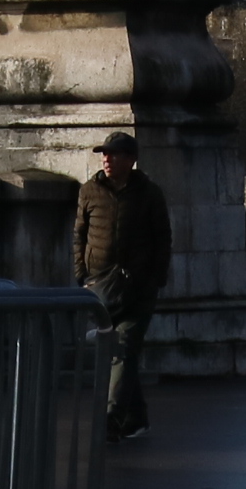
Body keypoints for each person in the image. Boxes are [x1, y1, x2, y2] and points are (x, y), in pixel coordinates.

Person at [70, 129, 169, 442]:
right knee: (120, 353)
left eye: (114, 154)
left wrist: (154, 279)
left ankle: (112, 420)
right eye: (104, 154)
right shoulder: (89, 191)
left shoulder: (150, 194)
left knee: (123, 348)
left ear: (131, 159)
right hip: (100, 287)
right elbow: (79, 235)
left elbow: (162, 239)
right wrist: (82, 275)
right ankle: (137, 418)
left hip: (138, 289)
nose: (107, 159)